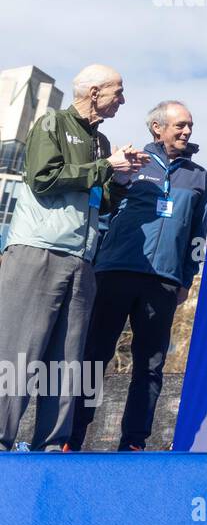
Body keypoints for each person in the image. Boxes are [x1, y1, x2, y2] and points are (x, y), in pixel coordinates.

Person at [0, 65, 145, 451]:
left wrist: (121, 178)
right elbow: (43, 179)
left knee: (66, 364)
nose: (123, 99)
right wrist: (105, 167)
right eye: (119, 91)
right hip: (38, 251)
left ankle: (52, 445)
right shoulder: (51, 123)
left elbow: (101, 199)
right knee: (19, 354)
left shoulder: (102, 141)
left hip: (82, 261)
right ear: (95, 92)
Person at [70, 100, 207, 451]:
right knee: (94, 356)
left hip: (162, 280)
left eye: (189, 125)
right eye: (180, 125)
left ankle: (134, 441)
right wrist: (93, 261)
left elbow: (197, 233)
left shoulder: (198, 175)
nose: (187, 131)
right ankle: (71, 435)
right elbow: (102, 212)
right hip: (115, 271)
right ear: (157, 128)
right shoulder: (131, 161)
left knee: (150, 364)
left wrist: (185, 277)